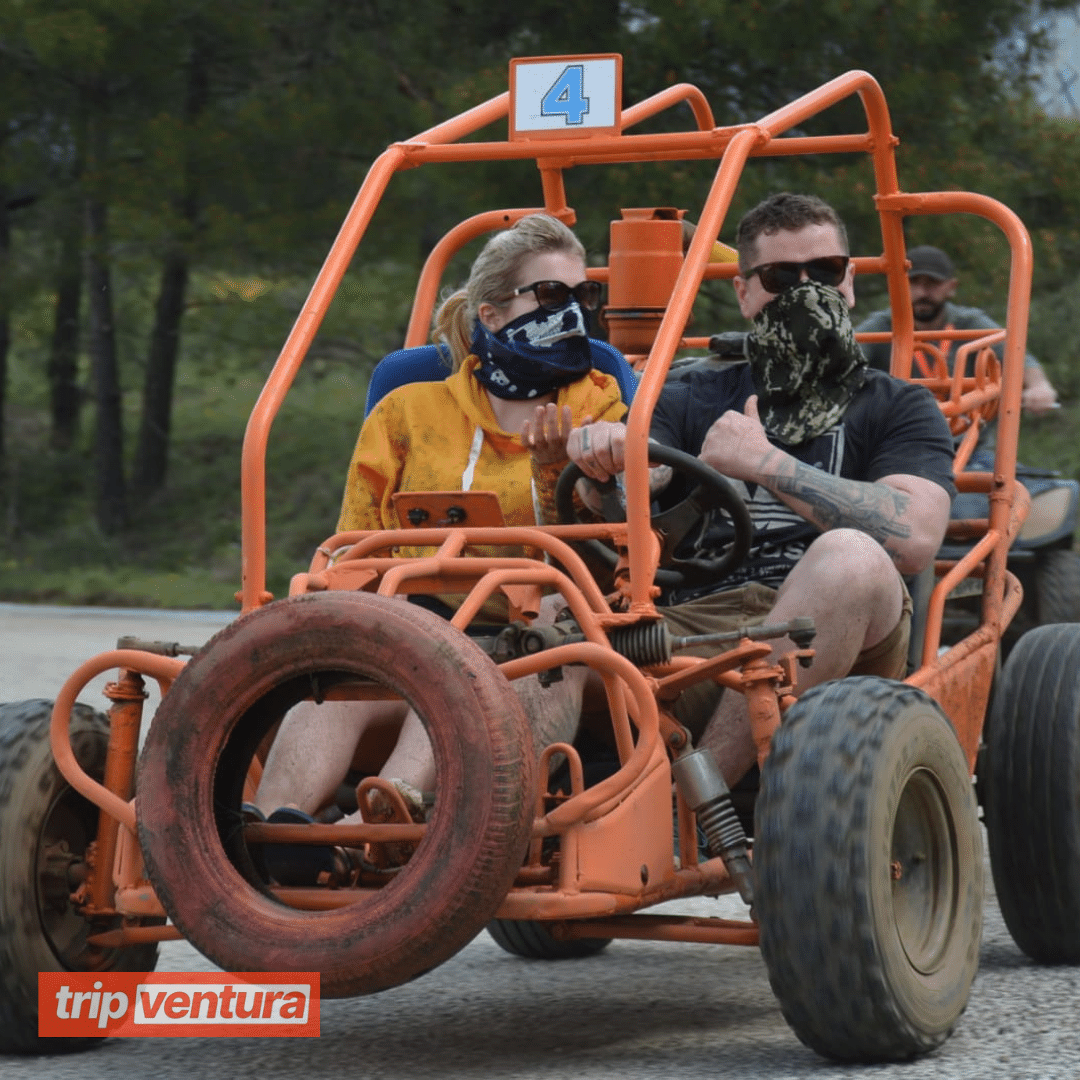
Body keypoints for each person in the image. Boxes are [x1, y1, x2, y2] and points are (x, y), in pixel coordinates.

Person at [251, 213, 628, 879]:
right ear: (492, 310)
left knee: (451, 670)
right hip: (415, 618)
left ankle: (385, 828)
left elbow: (615, 553)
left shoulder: (600, 405)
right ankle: (273, 833)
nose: (571, 312)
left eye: (582, 296)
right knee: (337, 677)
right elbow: (356, 545)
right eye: (550, 295)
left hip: (536, 629)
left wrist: (554, 470)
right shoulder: (408, 410)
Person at [563, 193, 957, 788]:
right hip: (696, 626)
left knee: (848, 557)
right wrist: (607, 462)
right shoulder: (688, 396)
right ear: (745, 292)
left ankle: (696, 805)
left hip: (842, 639)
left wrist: (766, 463)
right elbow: (631, 497)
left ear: (849, 283)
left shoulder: (896, 404)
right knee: (546, 634)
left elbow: (914, 539)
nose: (804, 291)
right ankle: (478, 834)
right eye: (780, 277)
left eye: (823, 272)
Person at [856, 244, 1059, 416]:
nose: (922, 292)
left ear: (951, 287)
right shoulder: (882, 326)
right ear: (897, 285)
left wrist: (1039, 385)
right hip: (901, 445)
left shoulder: (969, 322)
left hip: (969, 446)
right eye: (913, 282)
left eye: (932, 283)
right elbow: (848, 354)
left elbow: (1014, 354)